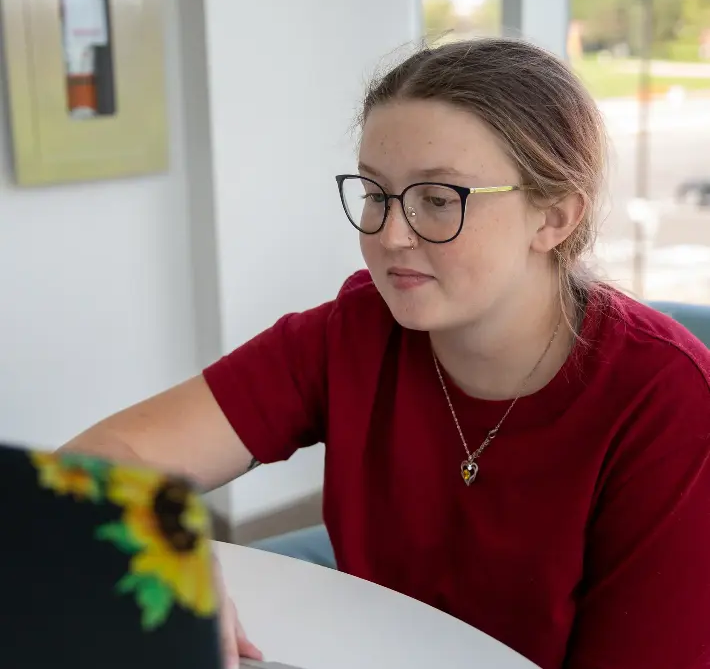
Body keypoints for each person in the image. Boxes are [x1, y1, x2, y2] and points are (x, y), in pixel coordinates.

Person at [61, 38, 710, 669]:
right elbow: (94, 466)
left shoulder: (666, 400)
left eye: (437, 199)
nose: (391, 234)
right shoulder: (354, 331)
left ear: (555, 217)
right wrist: (173, 546)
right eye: (376, 194)